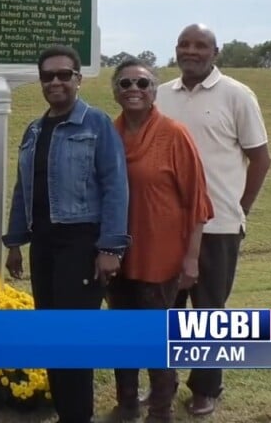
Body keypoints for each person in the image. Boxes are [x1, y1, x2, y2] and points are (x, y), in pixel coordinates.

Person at [3, 45, 130, 423]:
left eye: (63, 74)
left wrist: (110, 247)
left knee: (73, 340)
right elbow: (23, 189)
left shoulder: (96, 123)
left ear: (78, 79)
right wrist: (14, 243)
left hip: (81, 243)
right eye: (48, 76)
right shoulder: (35, 129)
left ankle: (78, 417)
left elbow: (116, 187)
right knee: (50, 337)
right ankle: (66, 414)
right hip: (43, 246)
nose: (55, 81)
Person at [155, 24, 271, 417]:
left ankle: (206, 387)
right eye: (185, 44)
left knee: (208, 311)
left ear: (215, 52)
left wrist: (241, 208)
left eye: (200, 45)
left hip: (218, 226)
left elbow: (261, 158)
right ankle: (163, 385)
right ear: (176, 50)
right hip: (167, 227)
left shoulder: (237, 95)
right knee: (165, 309)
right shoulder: (159, 95)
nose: (191, 51)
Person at [107, 58, 214, 423]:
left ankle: (160, 410)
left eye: (142, 83)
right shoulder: (109, 134)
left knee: (157, 338)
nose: (133, 90)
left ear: (154, 91)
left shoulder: (174, 134)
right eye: (125, 84)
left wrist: (191, 259)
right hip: (118, 255)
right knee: (122, 334)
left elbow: (198, 202)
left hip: (162, 256)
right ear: (115, 92)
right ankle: (125, 403)